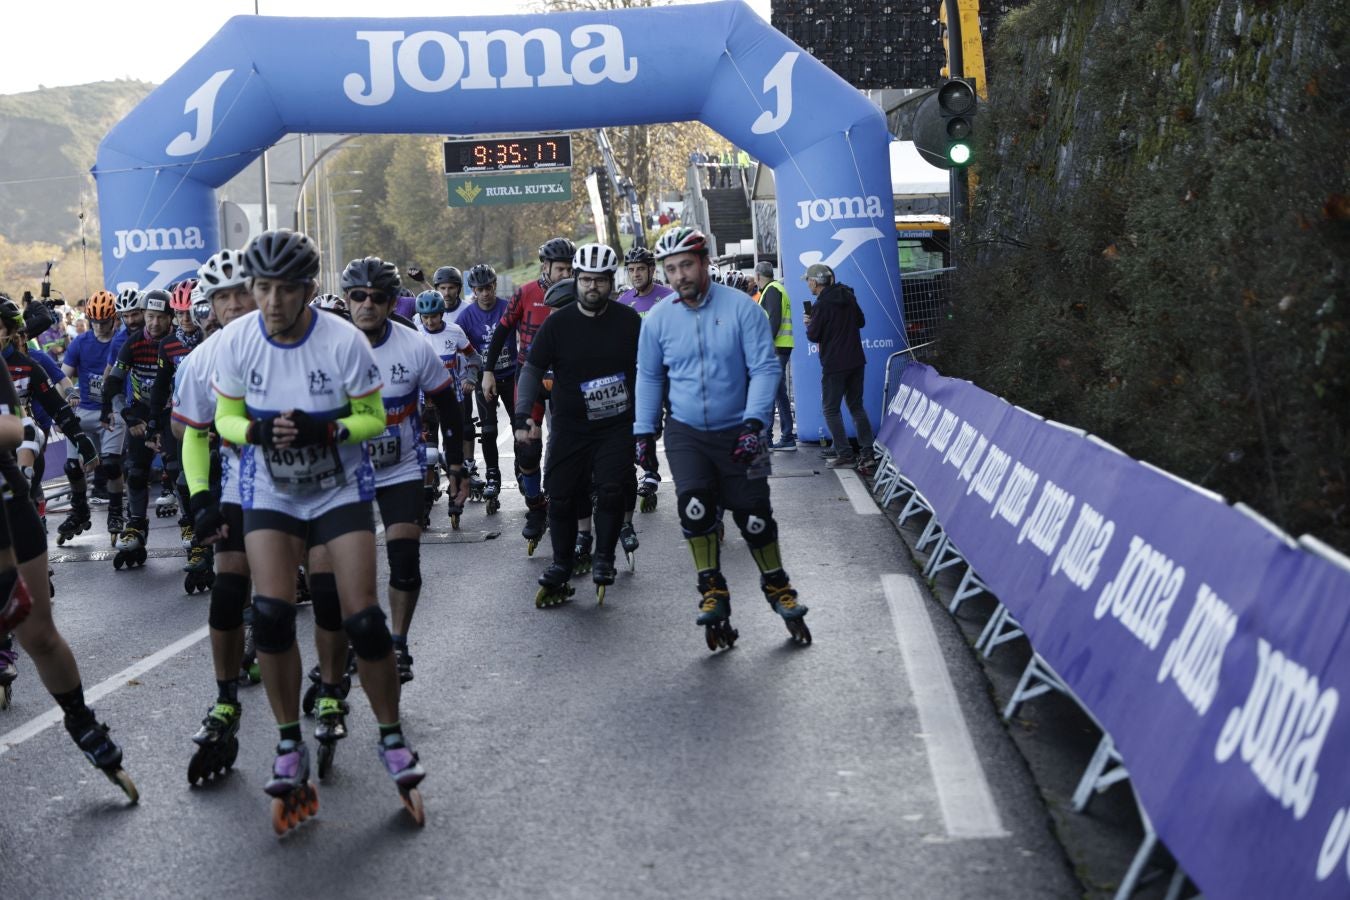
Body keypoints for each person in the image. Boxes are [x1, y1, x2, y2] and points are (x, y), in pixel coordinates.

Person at [211, 229, 426, 831]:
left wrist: (326, 431)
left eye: (285, 290)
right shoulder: (236, 342)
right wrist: (252, 434)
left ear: (309, 290)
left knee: (362, 617)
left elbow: (373, 415)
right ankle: (287, 742)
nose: (272, 302)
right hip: (272, 492)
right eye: (262, 289)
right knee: (273, 615)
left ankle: (391, 735)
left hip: (337, 489)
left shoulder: (342, 342)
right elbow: (224, 414)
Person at [635, 227, 811, 650]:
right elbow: (649, 376)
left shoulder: (741, 309)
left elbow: (766, 369)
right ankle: (712, 589)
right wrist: (643, 431)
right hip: (686, 432)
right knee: (695, 509)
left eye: (686, 266)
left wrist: (755, 425)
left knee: (754, 515)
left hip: (742, 430)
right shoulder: (659, 319)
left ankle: (778, 586)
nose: (679, 276)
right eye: (671, 269)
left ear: (705, 263)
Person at [0, 309, 137, 801]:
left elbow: (13, 429)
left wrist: (75, 432)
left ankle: (82, 723)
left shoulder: (15, 363)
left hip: (7, 505)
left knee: (38, 631)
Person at [344, 259, 465, 684]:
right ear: (347, 300)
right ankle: (348, 639)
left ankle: (398, 642)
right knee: (342, 570)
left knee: (404, 563)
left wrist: (458, 464)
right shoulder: (329, 348)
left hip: (401, 467)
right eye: (358, 296)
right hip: (346, 473)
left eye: (378, 298)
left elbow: (449, 406)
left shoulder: (414, 346)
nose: (367, 305)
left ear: (393, 302)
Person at [173, 247, 263, 783]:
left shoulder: (295, 340)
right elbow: (192, 436)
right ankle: (226, 699)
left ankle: (333, 670)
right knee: (231, 590)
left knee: (324, 592)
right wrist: (201, 497)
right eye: (220, 297)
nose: (231, 305)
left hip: (310, 483)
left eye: (239, 292)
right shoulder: (200, 361)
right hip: (242, 484)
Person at [517, 243, 640, 606]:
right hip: (570, 427)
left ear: (610, 282)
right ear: (576, 280)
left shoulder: (628, 321)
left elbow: (651, 370)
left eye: (600, 281)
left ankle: (604, 558)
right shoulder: (558, 323)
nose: (592, 287)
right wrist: (525, 413)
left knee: (612, 489)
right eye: (586, 279)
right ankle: (561, 563)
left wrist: (652, 416)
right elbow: (532, 369)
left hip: (616, 425)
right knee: (562, 496)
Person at [484, 238, 574, 548]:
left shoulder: (577, 294)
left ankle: (569, 498)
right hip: (530, 374)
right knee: (526, 445)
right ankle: (536, 507)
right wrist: (487, 371)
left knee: (567, 443)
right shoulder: (525, 293)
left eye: (569, 268)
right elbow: (502, 330)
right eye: (560, 268)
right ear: (545, 266)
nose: (566, 274)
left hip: (564, 375)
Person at [616, 246, 674, 515]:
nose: (636, 274)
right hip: (640, 374)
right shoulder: (623, 301)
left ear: (652, 270)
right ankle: (650, 473)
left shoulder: (669, 298)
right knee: (643, 425)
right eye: (631, 270)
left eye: (641, 269)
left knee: (673, 423)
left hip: (670, 371)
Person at [803, 262, 877, 473]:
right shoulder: (848, 296)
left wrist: (808, 323)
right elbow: (861, 322)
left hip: (835, 364)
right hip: (856, 360)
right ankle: (867, 454)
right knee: (856, 406)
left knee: (830, 409)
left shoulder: (821, 305)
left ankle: (845, 454)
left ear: (816, 282)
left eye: (809, 280)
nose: (808, 284)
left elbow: (813, 335)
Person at [456, 264, 514, 513]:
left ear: (494, 286)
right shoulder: (467, 316)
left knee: (520, 425)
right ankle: (492, 476)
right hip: (484, 379)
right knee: (488, 430)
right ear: (473, 291)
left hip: (511, 374)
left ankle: (523, 470)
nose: (486, 293)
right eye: (480, 289)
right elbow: (456, 346)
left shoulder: (507, 307)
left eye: (489, 288)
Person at [60, 290, 122, 507]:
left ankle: (111, 500)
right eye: (94, 321)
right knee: (73, 466)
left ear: (114, 319)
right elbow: (63, 376)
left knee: (111, 464)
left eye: (104, 322)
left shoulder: (121, 341)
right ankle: (79, 508)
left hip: (112, 408)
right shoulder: (80, 342)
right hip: (85, 407)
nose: (99, 327)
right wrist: (62, 408)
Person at [755, 261, 796, 451]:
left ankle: (767, 439)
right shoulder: (777, 288)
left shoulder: (771, 290)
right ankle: (787, 437)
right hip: (781, 347)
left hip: (775, 349)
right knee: (779, 394)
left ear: (757, 276)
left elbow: (774, 320)